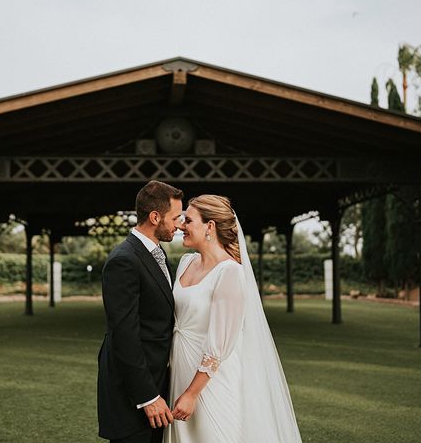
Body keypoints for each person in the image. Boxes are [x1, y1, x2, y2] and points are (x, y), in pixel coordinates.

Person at [164, 195, 302, 443]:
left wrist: (192, 394)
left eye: (189, 220)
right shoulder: (185, 263)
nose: (181, 225)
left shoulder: (229, 273)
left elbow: (218, 346)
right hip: (179, 373)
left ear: (210, 226)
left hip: (210, 383)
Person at [97, 180, 184, 443]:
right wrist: (147, 396)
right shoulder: (124, 260)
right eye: (176, 217)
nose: (179, 224)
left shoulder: (157, 255)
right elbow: (124, 334)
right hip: (132, 392)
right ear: (155, 217)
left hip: (158, 380)